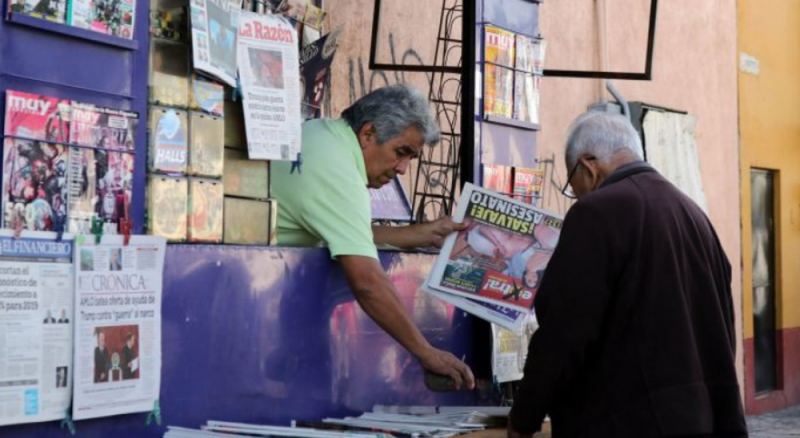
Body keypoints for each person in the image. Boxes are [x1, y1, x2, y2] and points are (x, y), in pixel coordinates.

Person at [507, 112, 747, 437]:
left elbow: (564, 332)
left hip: (628, 421)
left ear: (588, 166)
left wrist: (524, 418)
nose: (577, 198)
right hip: (703, 417)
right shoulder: (693, 214)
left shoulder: (596, 213)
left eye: (574, 188)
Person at [271, 84, 474, 389]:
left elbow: (348, 231)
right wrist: (425, 352)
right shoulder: (338, 169)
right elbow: (368, 282)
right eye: (400, 152)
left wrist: (423, 234)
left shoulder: (323, 136)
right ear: (367, 134)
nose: (403, 169)